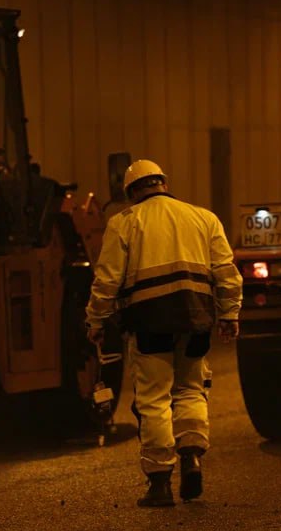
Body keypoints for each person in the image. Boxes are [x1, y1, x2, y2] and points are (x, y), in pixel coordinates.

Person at [85, 160, 242, 507]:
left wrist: (96, 320)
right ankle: (192, 458)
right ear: (163, 183)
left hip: (149, 323)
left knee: (154, 399)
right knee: (191, 390)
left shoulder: (124, 223)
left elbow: (108, 278)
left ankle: (159, 483)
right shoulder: (204, 217)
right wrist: (229, 313)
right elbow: (226, 273)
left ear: (131, 192)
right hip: (196, 319)